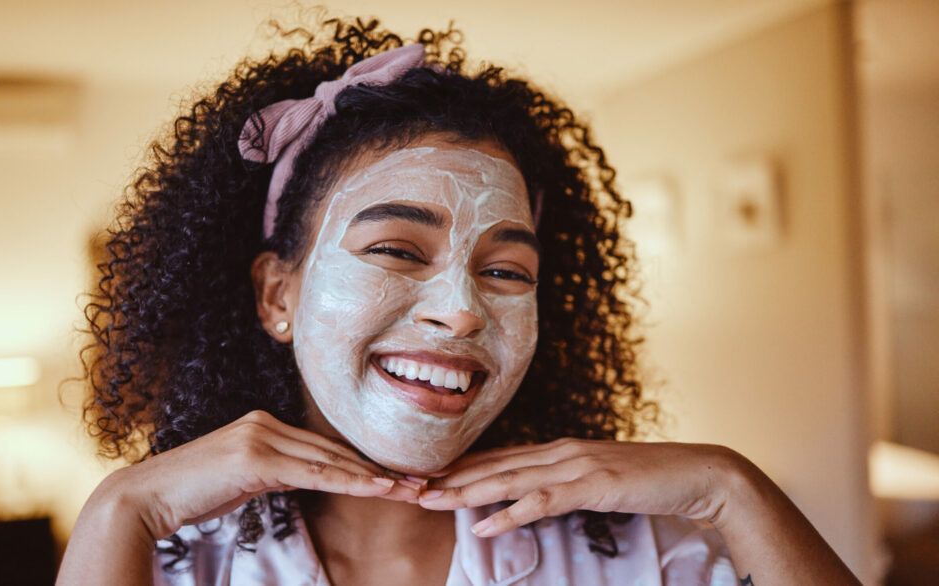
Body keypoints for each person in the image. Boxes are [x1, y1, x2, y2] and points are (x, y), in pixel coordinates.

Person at [56, 16, 859, 586]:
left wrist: (730, 486)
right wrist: (119, 505)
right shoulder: (169, 560)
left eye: (507, 271)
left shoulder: (637, 556)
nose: (463, 310)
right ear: (278, 294)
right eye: (398, 250)